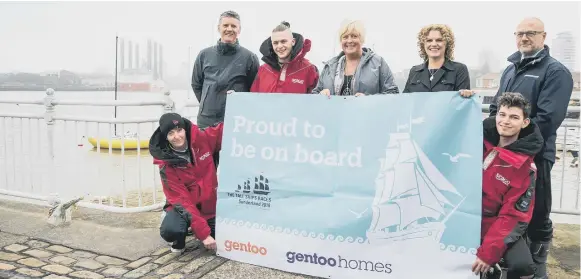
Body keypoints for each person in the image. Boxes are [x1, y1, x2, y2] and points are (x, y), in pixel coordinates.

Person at [487, 17, 573, 278]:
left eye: (531, 33)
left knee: (537, 211)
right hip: (504, 156)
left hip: (537, 156)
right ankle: (510, 263)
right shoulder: (510, 69)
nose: (524, 38)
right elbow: (495, 109)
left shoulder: (556, 72)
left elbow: (547, 119)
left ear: (543, 37)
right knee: (505, 210)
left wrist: (514, 143)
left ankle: (539, 265)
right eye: (520, 33)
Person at [474, 92, 543, 279]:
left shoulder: (526, 167)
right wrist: (462, 97)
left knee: (523, 266)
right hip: (462, 218)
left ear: (525, 122)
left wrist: (488, 254)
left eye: (514, 117)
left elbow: (514, 215)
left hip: (494, 223)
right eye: (502, 115)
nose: (505, 121)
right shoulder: (474, 140)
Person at [149, 112, 223, 253]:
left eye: (179, 130)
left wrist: (236, 103)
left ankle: (199, 226)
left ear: (184, 129)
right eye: (171, 133)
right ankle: (179, 237)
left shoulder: (202, 139)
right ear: (166, 137)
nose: (177, 136)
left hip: (209, 207)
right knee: (172, 230)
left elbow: (225, 130)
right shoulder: (166, 164)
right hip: (184, 206)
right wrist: (204, 234)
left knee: (221, 235)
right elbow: (182, 200)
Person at [191, 10, 260, 129]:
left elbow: (254, 90)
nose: (229, 29)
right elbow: (196, 84)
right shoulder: (204, 55)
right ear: (218, 28)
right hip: (206, 122)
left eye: (233, 26)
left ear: (239, 30)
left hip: (236, 122)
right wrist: (207, 103)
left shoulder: (250, 58)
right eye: (225, 25)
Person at [311, 20, 399, 96]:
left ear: (362, 39)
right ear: (341, 41)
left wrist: (370, 100)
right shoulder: (329, 66)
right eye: (345, 37)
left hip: (367, 115)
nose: (349, 41)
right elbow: (315, 95)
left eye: (354, 36)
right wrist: (320, 95)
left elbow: (393, 93)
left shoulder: (378, 63)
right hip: (335, 116)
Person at [250, 21, 319, 94]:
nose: (279, 46)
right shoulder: (263, 70)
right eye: (275, 43)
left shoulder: (308, 69)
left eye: (283, 41)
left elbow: (316, 99)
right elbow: (254, 100)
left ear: (293, 42)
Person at [403, 23, 471, 94]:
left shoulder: (459, 70)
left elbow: (462, 103)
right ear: (423, 44)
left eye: (439, 40)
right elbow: (406, 100)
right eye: (429, 40)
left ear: (447, 44)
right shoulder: (414, 71)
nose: (434, 44)